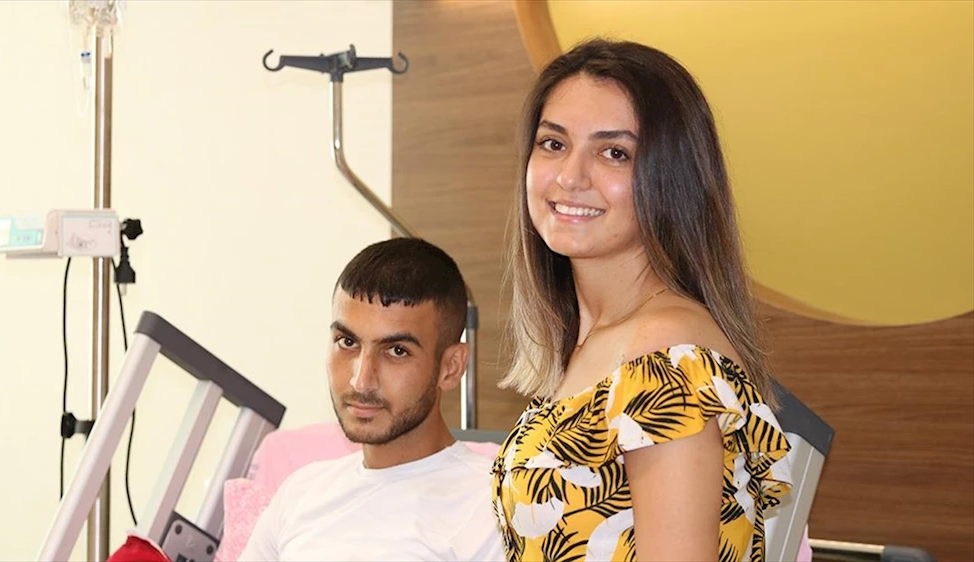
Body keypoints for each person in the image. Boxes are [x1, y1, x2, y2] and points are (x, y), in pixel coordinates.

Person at [491, 38, 793, 562]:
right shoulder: (598, 341)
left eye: (614, 153)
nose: (570, 177)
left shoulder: (664, 354)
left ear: (671, 178)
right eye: (553, 143)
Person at [240, 238, 505, 561]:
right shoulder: (300, 494)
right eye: (347, 342)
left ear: (451, 367)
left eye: (397, 351)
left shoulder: (492, 508)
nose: (361, 380)